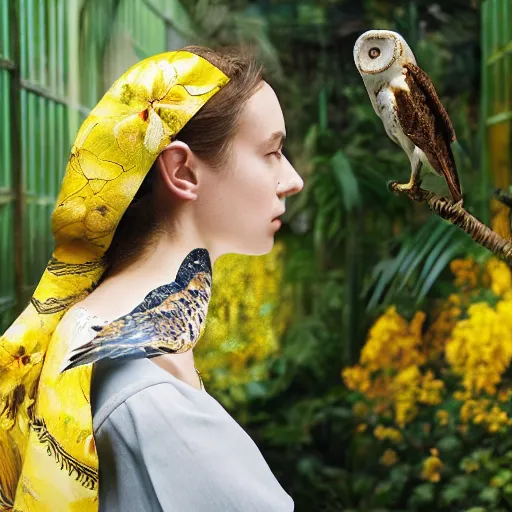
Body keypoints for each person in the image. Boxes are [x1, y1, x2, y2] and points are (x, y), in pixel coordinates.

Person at [0, 45, 303, 512]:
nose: (292, 179)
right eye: (272, 152)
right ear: (183, 171)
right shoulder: (153, 398)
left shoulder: (89, 323)